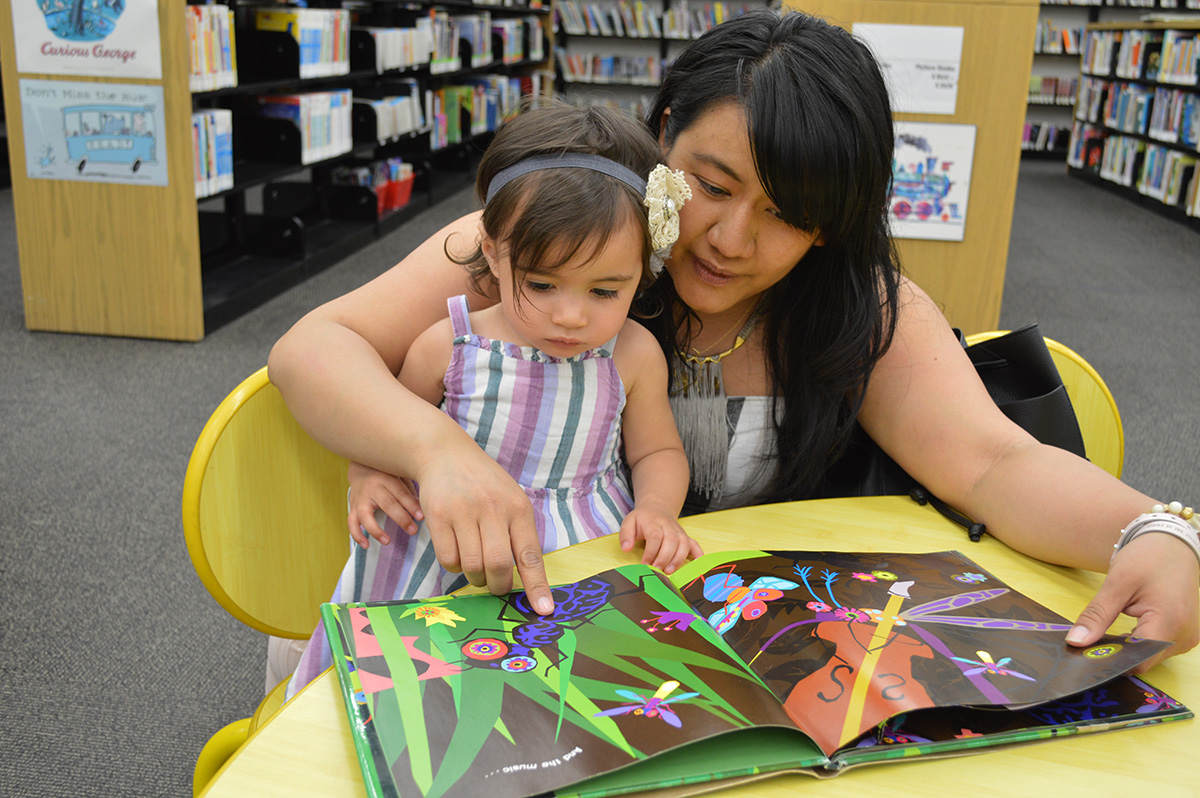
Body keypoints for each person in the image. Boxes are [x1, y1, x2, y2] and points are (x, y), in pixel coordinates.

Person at [269, 9, 1198, 677]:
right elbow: (317, 345)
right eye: (711, 184)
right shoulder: (557, 245)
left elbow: (994, 465)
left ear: (836, 224)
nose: (730, 239)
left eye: (788, 215)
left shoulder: (858, 307)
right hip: (490, 632)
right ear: (664, 132)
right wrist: (431, 448)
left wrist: (1157, 531)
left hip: (725, 669)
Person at [278, 102, 703, 696]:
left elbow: (657, 451)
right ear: (496, 251)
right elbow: (384, 419)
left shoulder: (631, 355)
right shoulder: (451, 343)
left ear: (644, 270)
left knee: (568, 689)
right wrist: (367, 470)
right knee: (413, 683)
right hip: (441, 551)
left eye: (606, 289)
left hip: (579, 547)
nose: (570, 314)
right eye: (541, 283)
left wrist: (657, 509)